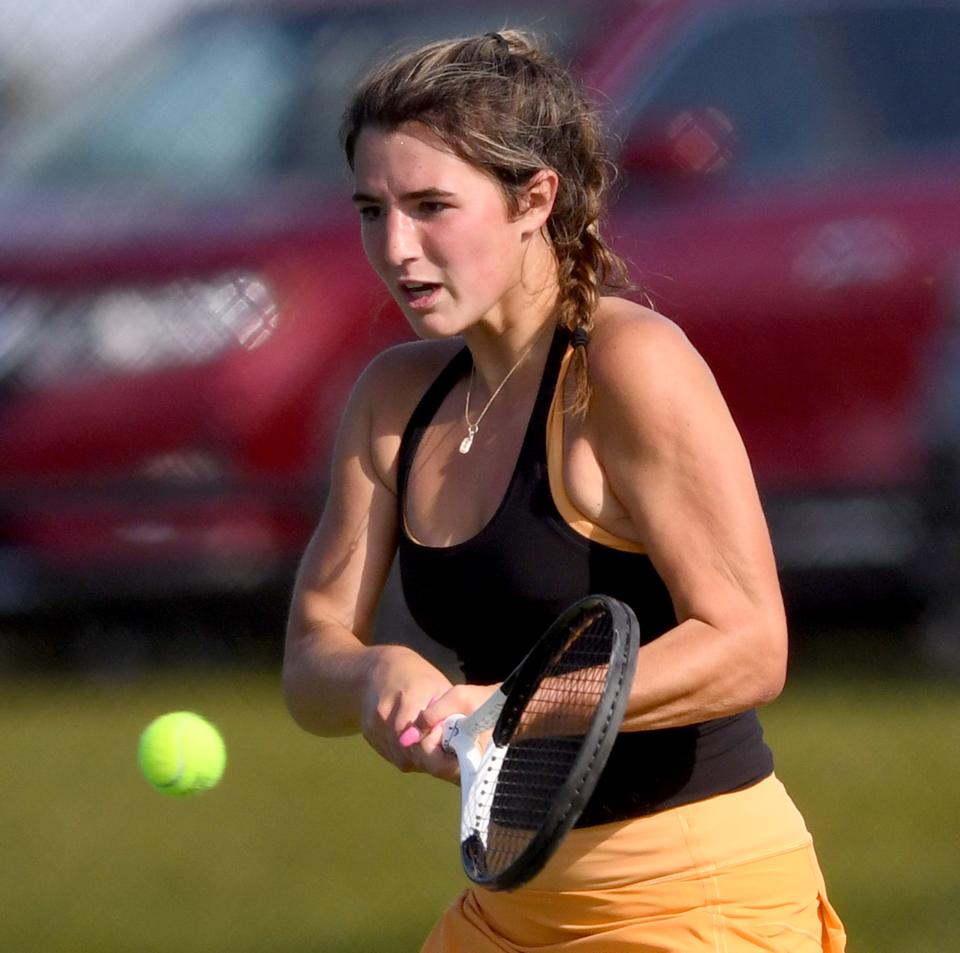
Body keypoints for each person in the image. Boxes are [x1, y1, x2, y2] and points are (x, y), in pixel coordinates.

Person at [282, 29, 847, 953]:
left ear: (533, 198)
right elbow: (312, 660)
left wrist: (509, 706)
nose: (395, 247)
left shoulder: (629, 364)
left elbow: (750, 646)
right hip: (511, 905)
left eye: (431, 206)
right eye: (370, 209)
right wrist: (373, 675)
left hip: (695, 895)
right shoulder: (394, 395)